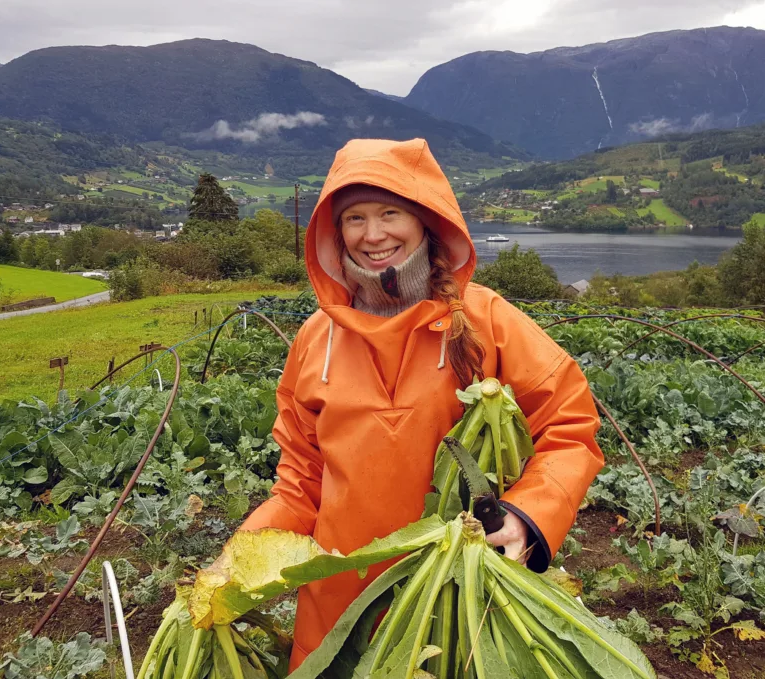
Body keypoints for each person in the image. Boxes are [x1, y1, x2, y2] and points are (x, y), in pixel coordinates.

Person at [239, 138, 604, 670]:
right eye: (354, 218)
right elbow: (300, 482)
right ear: (333, 232)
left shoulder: (486, 321)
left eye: (391, 212)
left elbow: (569, 424)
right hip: (339, 605)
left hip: (457, 598)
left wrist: (529, 516)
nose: (373, 234)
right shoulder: (315, 340)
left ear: (426, 219)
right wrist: (238, 559)